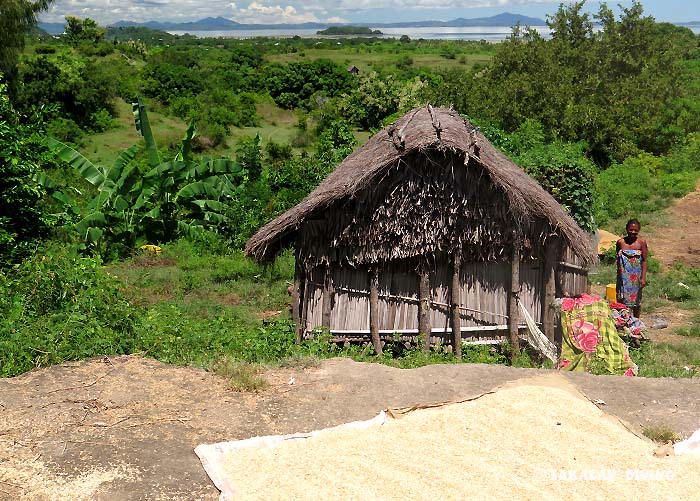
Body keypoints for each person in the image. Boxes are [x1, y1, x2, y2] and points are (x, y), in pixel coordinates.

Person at [616, 219, 648, 318]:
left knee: (636, 301)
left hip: (636, 276)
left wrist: (643, 278)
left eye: (635, 230)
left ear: (638, 230)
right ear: (626, 229)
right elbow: (618, 258)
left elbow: (644, 261)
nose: (633, 232)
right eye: (631, 229)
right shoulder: (620, 242)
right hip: (623, 275)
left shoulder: (641, 242)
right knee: (622, 298)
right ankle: (623, 320)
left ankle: (636, 321)